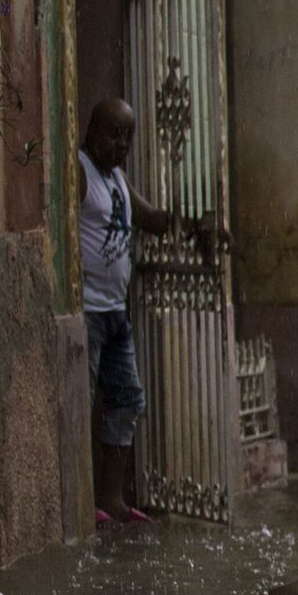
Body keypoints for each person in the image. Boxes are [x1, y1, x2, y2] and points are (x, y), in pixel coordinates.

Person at [78, 97, 225, 525]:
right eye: (114, 133)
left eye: (128, 136)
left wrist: (197, 223)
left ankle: (112, 499)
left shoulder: (118, 180)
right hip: (87, 310)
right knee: (82, 403)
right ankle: (83, 503)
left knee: (128, 401)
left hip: (116, 312)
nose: (122, 143)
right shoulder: (81, 172)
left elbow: (154, 220)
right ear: (93, 132)